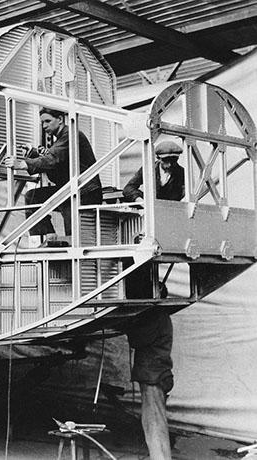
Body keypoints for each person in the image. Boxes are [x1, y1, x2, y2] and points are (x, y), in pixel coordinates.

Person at [122, 141, 185, 460]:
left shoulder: (156, 322)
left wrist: (127, 321)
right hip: (145, 219)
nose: (171, 164)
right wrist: (144, 200)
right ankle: (156, 455)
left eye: (174, 160)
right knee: (154, 417)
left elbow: (139, 336)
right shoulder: (163, 318)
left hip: (152, 377)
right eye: (167, 160)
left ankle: (160, 458)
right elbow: (128, 189)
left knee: (154, 420)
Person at [3, 107, 103, 240]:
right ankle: (49, 233)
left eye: (47, 121)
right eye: (42, 123)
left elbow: (53, 159)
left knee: (73, 234)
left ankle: (69, 245)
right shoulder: (63, 138)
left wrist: (23, 164)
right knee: (33, 197)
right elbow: (54, 155)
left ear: (60, 119)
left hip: (84, 192)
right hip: (71, 190)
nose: (44, 126)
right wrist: (33, 153)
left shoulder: (71, 134)